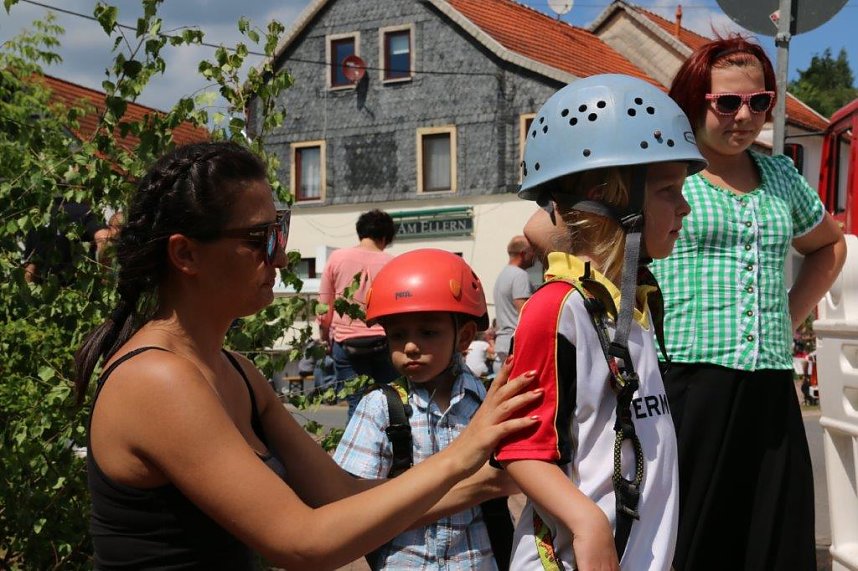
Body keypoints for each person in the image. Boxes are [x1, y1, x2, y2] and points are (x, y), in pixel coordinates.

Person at [73, 141, 542, 569]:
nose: (279, 258)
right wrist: (465, 451)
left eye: (281, 229)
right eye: (262, 239)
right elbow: (303, 542)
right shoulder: (158, 379)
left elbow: (342, 497)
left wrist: (487, 483)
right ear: (186, 254)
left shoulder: (238, 372)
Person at [495, 73, 708, 570]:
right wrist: (589, 526)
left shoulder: (629, 304)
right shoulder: (557, 308)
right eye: (667, 191)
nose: (685, 205)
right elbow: (520, 446)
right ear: (607, 196)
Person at [649, 36, 847, 570]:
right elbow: (554, 229)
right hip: (685, 381)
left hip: (768, 387)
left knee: (772, 538)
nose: (745, 116)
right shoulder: (665, 166)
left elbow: (828, 245)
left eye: (759, 102)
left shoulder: (779, 174)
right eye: (727, 103)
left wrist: (787, 315)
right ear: (695, 99)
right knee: (689, 539)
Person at [334, 248, 513, 570]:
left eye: (428, 332)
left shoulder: (489, 405)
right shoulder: (380, 408)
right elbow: (354, 503)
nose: (411, 346)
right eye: (398, 335)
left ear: (465, 337)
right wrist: (480, 487)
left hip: (478, 561)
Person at [319, 209, 400, 420]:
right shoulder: (392, 263)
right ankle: (393, 451)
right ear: (385, 238)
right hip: (384, 342)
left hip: (346, 343)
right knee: (392, 402)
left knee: (357, 405)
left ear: (360, 233)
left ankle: (357, 451)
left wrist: (325, 338)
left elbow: (324, 306)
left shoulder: (336, 258)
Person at [493, 235, 535, 362]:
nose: (535, 255)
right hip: (515, 345)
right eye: (532, 251)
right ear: (523, 253)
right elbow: (524, 312)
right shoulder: (520, 275)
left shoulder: (503, 274)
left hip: (502, 343)